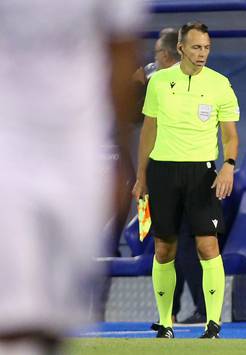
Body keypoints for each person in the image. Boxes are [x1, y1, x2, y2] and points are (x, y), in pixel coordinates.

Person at [0, 0, 144, 354]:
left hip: (78, 151)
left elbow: (122, 51)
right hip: (10, 143)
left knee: (53, 320)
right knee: (16, 316)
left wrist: (120, 159)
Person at [133, 21, 240, 339]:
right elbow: (148, 132)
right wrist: (141, 177)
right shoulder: (159, 83)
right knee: (163, 249)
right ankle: (166, 323)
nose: (202, 53)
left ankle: (213, 324)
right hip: (162, 172)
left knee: (208, 246)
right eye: (196, 47)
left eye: (206, 47)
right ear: (180, 48)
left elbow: (231, 135)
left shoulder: (221, 84)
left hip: (202, 174)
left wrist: (228, 165)